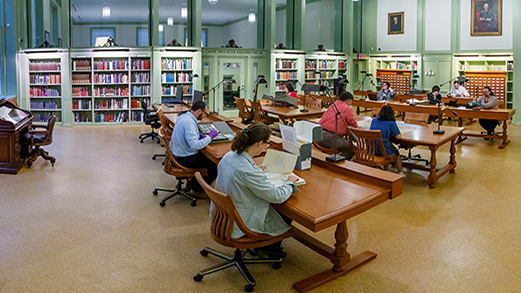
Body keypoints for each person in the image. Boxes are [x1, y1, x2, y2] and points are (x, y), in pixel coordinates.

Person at [214, 122, 298, 258]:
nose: (267, 146)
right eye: (268, 143)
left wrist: (255, 169)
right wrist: (289, 183)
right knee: (285, 210)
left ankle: (264, 246)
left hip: (223, 217)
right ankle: (266, 248)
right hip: (240, 223)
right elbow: (277, 196)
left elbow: (240, 173)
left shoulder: (229, 156)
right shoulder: (247, 171)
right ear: (260, 143)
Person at [170, 100, 219, 199]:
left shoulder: (184, 117)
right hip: (183, 158)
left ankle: (191, 184)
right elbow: (195, 146)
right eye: (205, 113)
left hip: (177, 154)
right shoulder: (190, 123)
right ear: (199, 111)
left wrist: (198, 135)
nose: (205, 116)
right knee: (215, 165)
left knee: (206, 157)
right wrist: (209, 137)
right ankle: (197, 190)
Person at [317, 91, 358, 160]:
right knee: (353, 149)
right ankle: (340, 165)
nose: (351, 104)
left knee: (345, 144)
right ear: (347, 100)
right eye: (351, 102)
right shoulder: (347, 108)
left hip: (318, 134)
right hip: (330, 137)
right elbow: (353, 125)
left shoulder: (333, 105)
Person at [369, 105, 404, 175]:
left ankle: (386, 170)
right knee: (396, 154)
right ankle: (401, 173)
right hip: (383, 149)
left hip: (372, 149)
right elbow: (398, 137)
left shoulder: (374, 120)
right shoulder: (391, 123)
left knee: (388, 148)